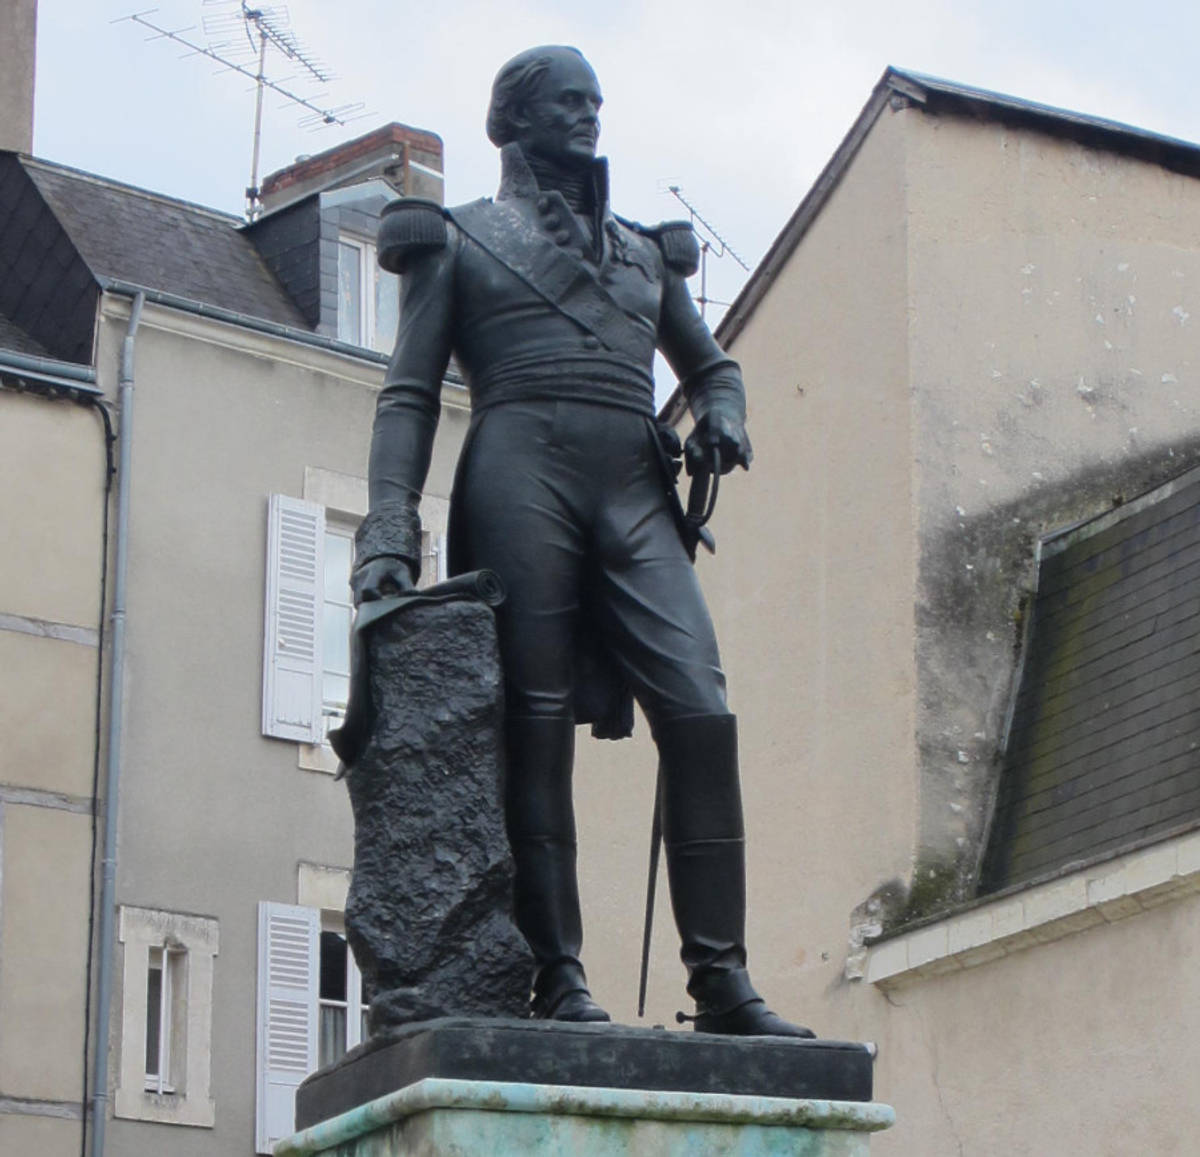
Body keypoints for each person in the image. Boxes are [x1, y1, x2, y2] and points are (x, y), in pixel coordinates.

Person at [351, 45, 811, 1037]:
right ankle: (558, 973)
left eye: (597, 103)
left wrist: (724, 412)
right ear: (513, 120)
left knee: (701, 710)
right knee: (534, 724)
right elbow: (409, 391)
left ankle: (721, 977)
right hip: (522, 471)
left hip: (632, 486)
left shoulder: (646, 253)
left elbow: (711, 362)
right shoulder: (461, 239)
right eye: (569, 103)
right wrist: (389, 523)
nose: (590, 117)